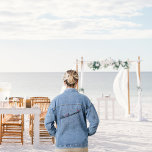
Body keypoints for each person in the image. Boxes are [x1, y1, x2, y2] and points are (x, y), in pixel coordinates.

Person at [45, 70, 99, 152]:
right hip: (81, 144)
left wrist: (56, 134)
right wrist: (87, 133)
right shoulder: (84, 100)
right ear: (77, 82)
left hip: (61, 144)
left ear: (64, 82)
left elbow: (48, 123)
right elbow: (94, 121)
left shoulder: (56, 101)